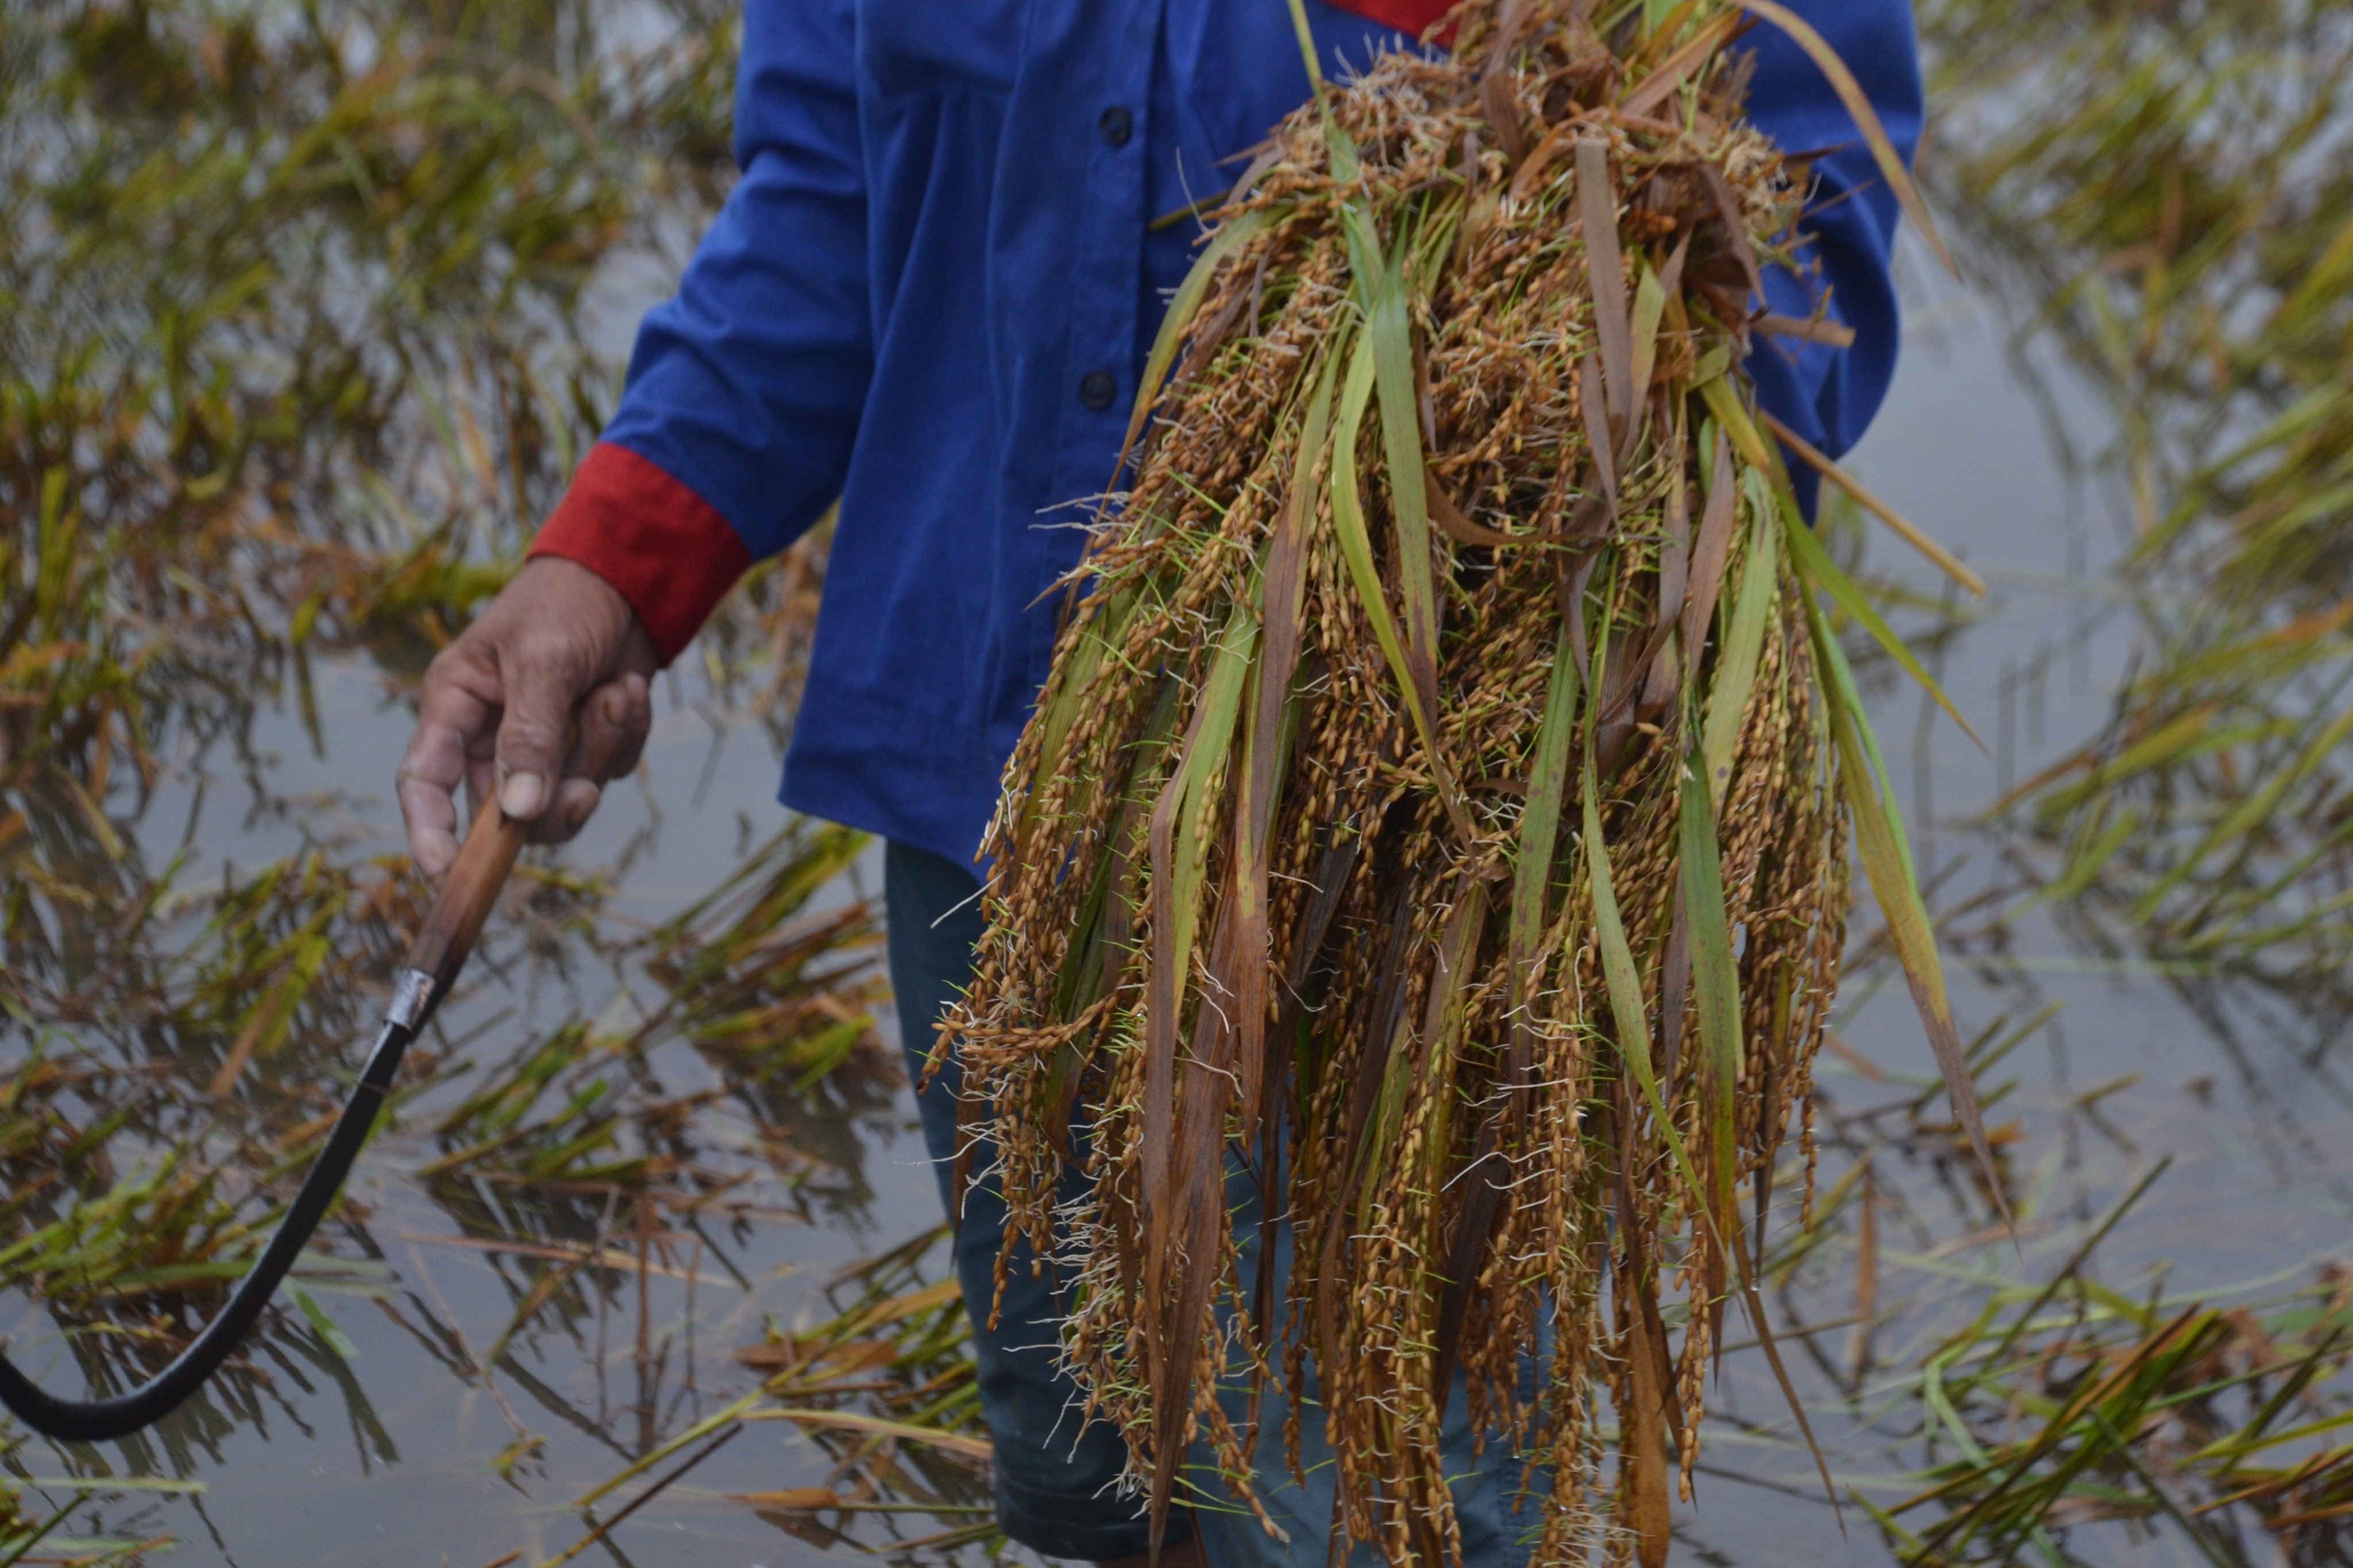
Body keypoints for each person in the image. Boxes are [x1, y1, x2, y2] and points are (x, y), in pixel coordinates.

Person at [396, 1, 1923, 1561]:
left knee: (1385, 1514)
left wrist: (1541, 385)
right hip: (988, 805)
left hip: (1409, 871)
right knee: (1105, 1479)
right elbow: (837, 197)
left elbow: (1795, 262)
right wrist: (609, 565)